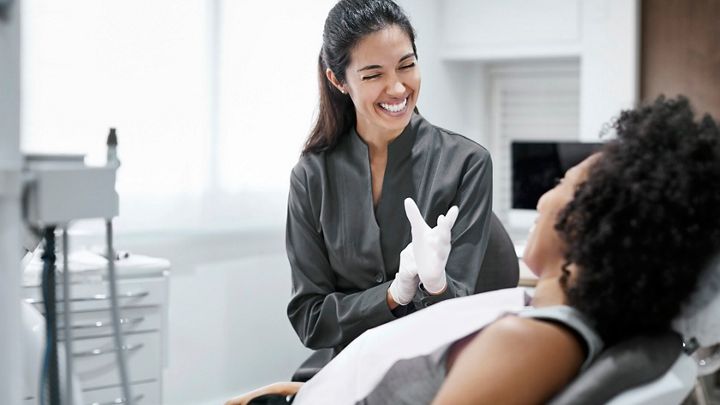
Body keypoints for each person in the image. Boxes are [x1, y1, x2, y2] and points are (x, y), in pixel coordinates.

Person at [227, 96, 720, 404]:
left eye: (564, 182)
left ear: (591, 229)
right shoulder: (543, 318)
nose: (545, 196)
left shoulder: (532, 344)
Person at [285, 0, 502, 374]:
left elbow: (460, 307)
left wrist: (436, 285)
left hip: (435, 366)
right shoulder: (311, 176)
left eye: (407, 65)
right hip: (350, 368)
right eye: (373, 75)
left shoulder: (467, 164)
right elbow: (310, 319)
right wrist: (391, 295)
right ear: (338, 81)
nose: (398, 87)